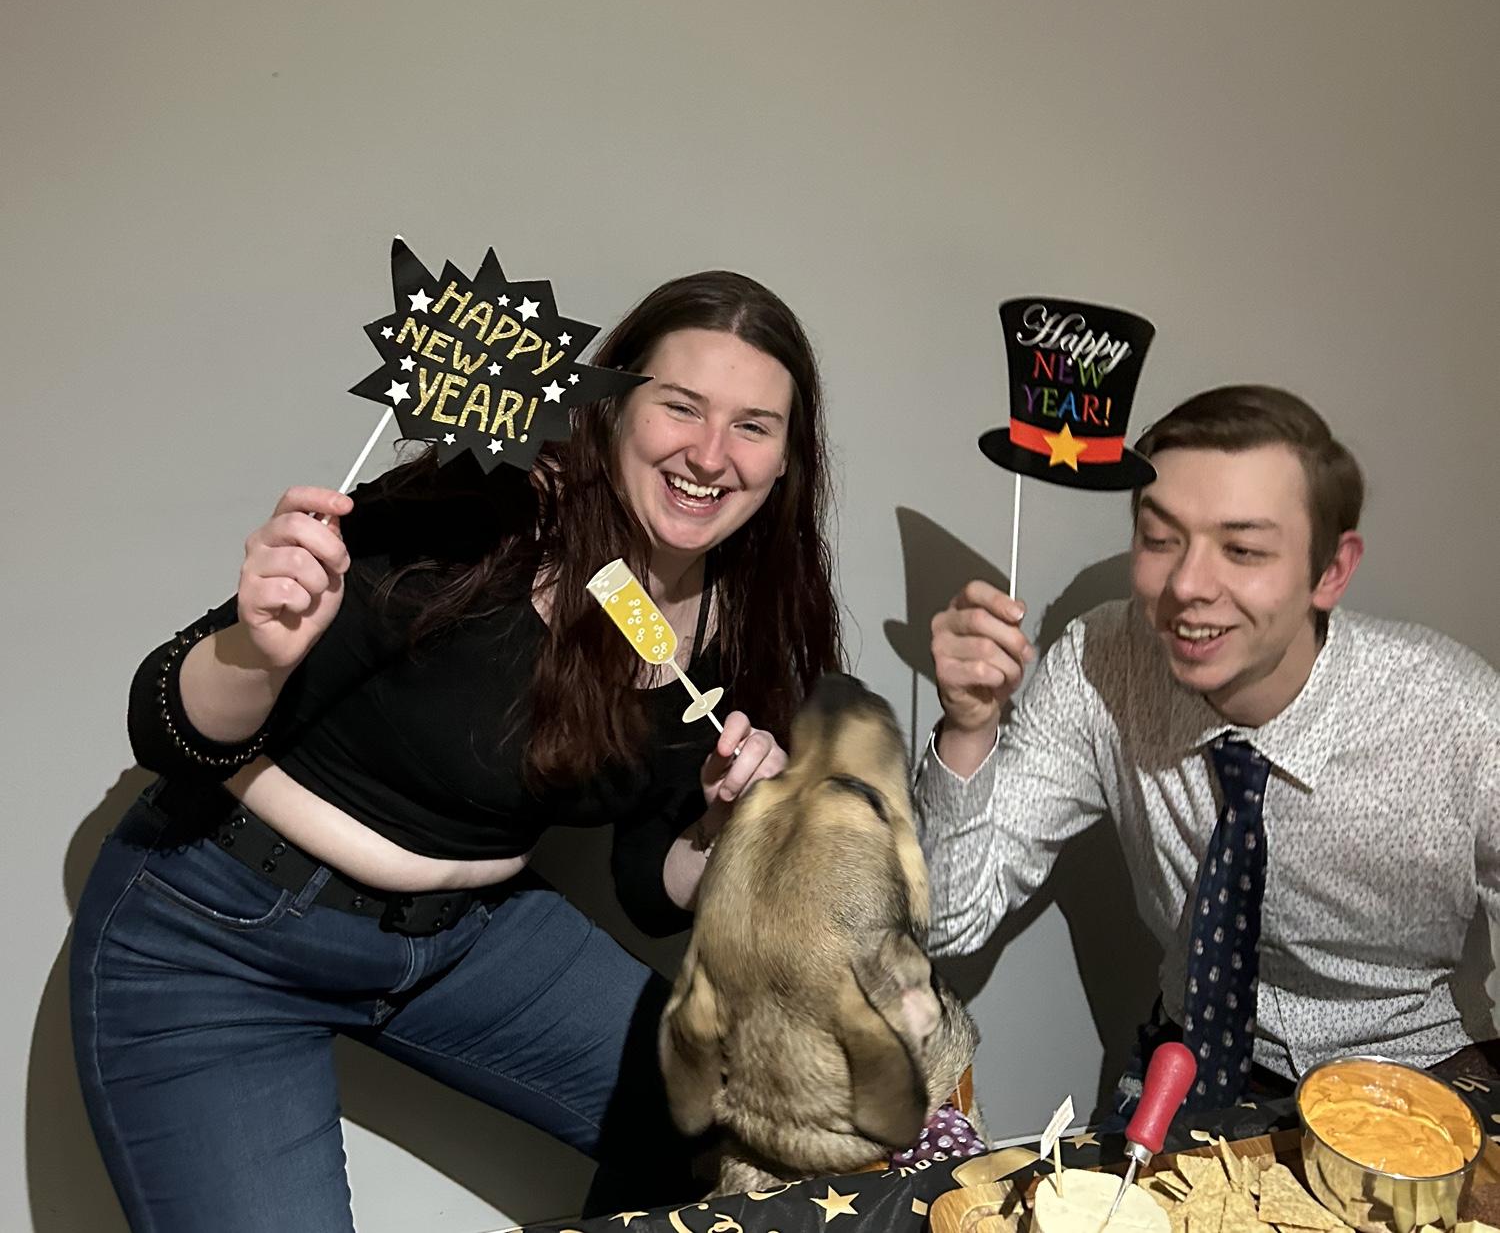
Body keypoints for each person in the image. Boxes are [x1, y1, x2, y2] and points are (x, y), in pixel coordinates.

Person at [70, 269, 844, 1233]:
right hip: (220, 930)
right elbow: (161, 726)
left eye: (753, 426)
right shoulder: (482, 513)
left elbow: (649, 884)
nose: (710, 454)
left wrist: (727, 824)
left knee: (753, 1110)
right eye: (680, 406)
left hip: (466, 937)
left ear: (786, 459)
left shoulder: (739, 619)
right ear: (610, 406)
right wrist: (256, 654)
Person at [918, 384, 1499, 1110]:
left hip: (1420, 1069)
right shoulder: (1101, 665)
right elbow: (949, 919)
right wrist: (969, 725)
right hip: (1192, 1063)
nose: (1188, 585)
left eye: (1243, 549)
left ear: (1331, 571)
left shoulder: (1457, 715)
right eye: (1160, 540)